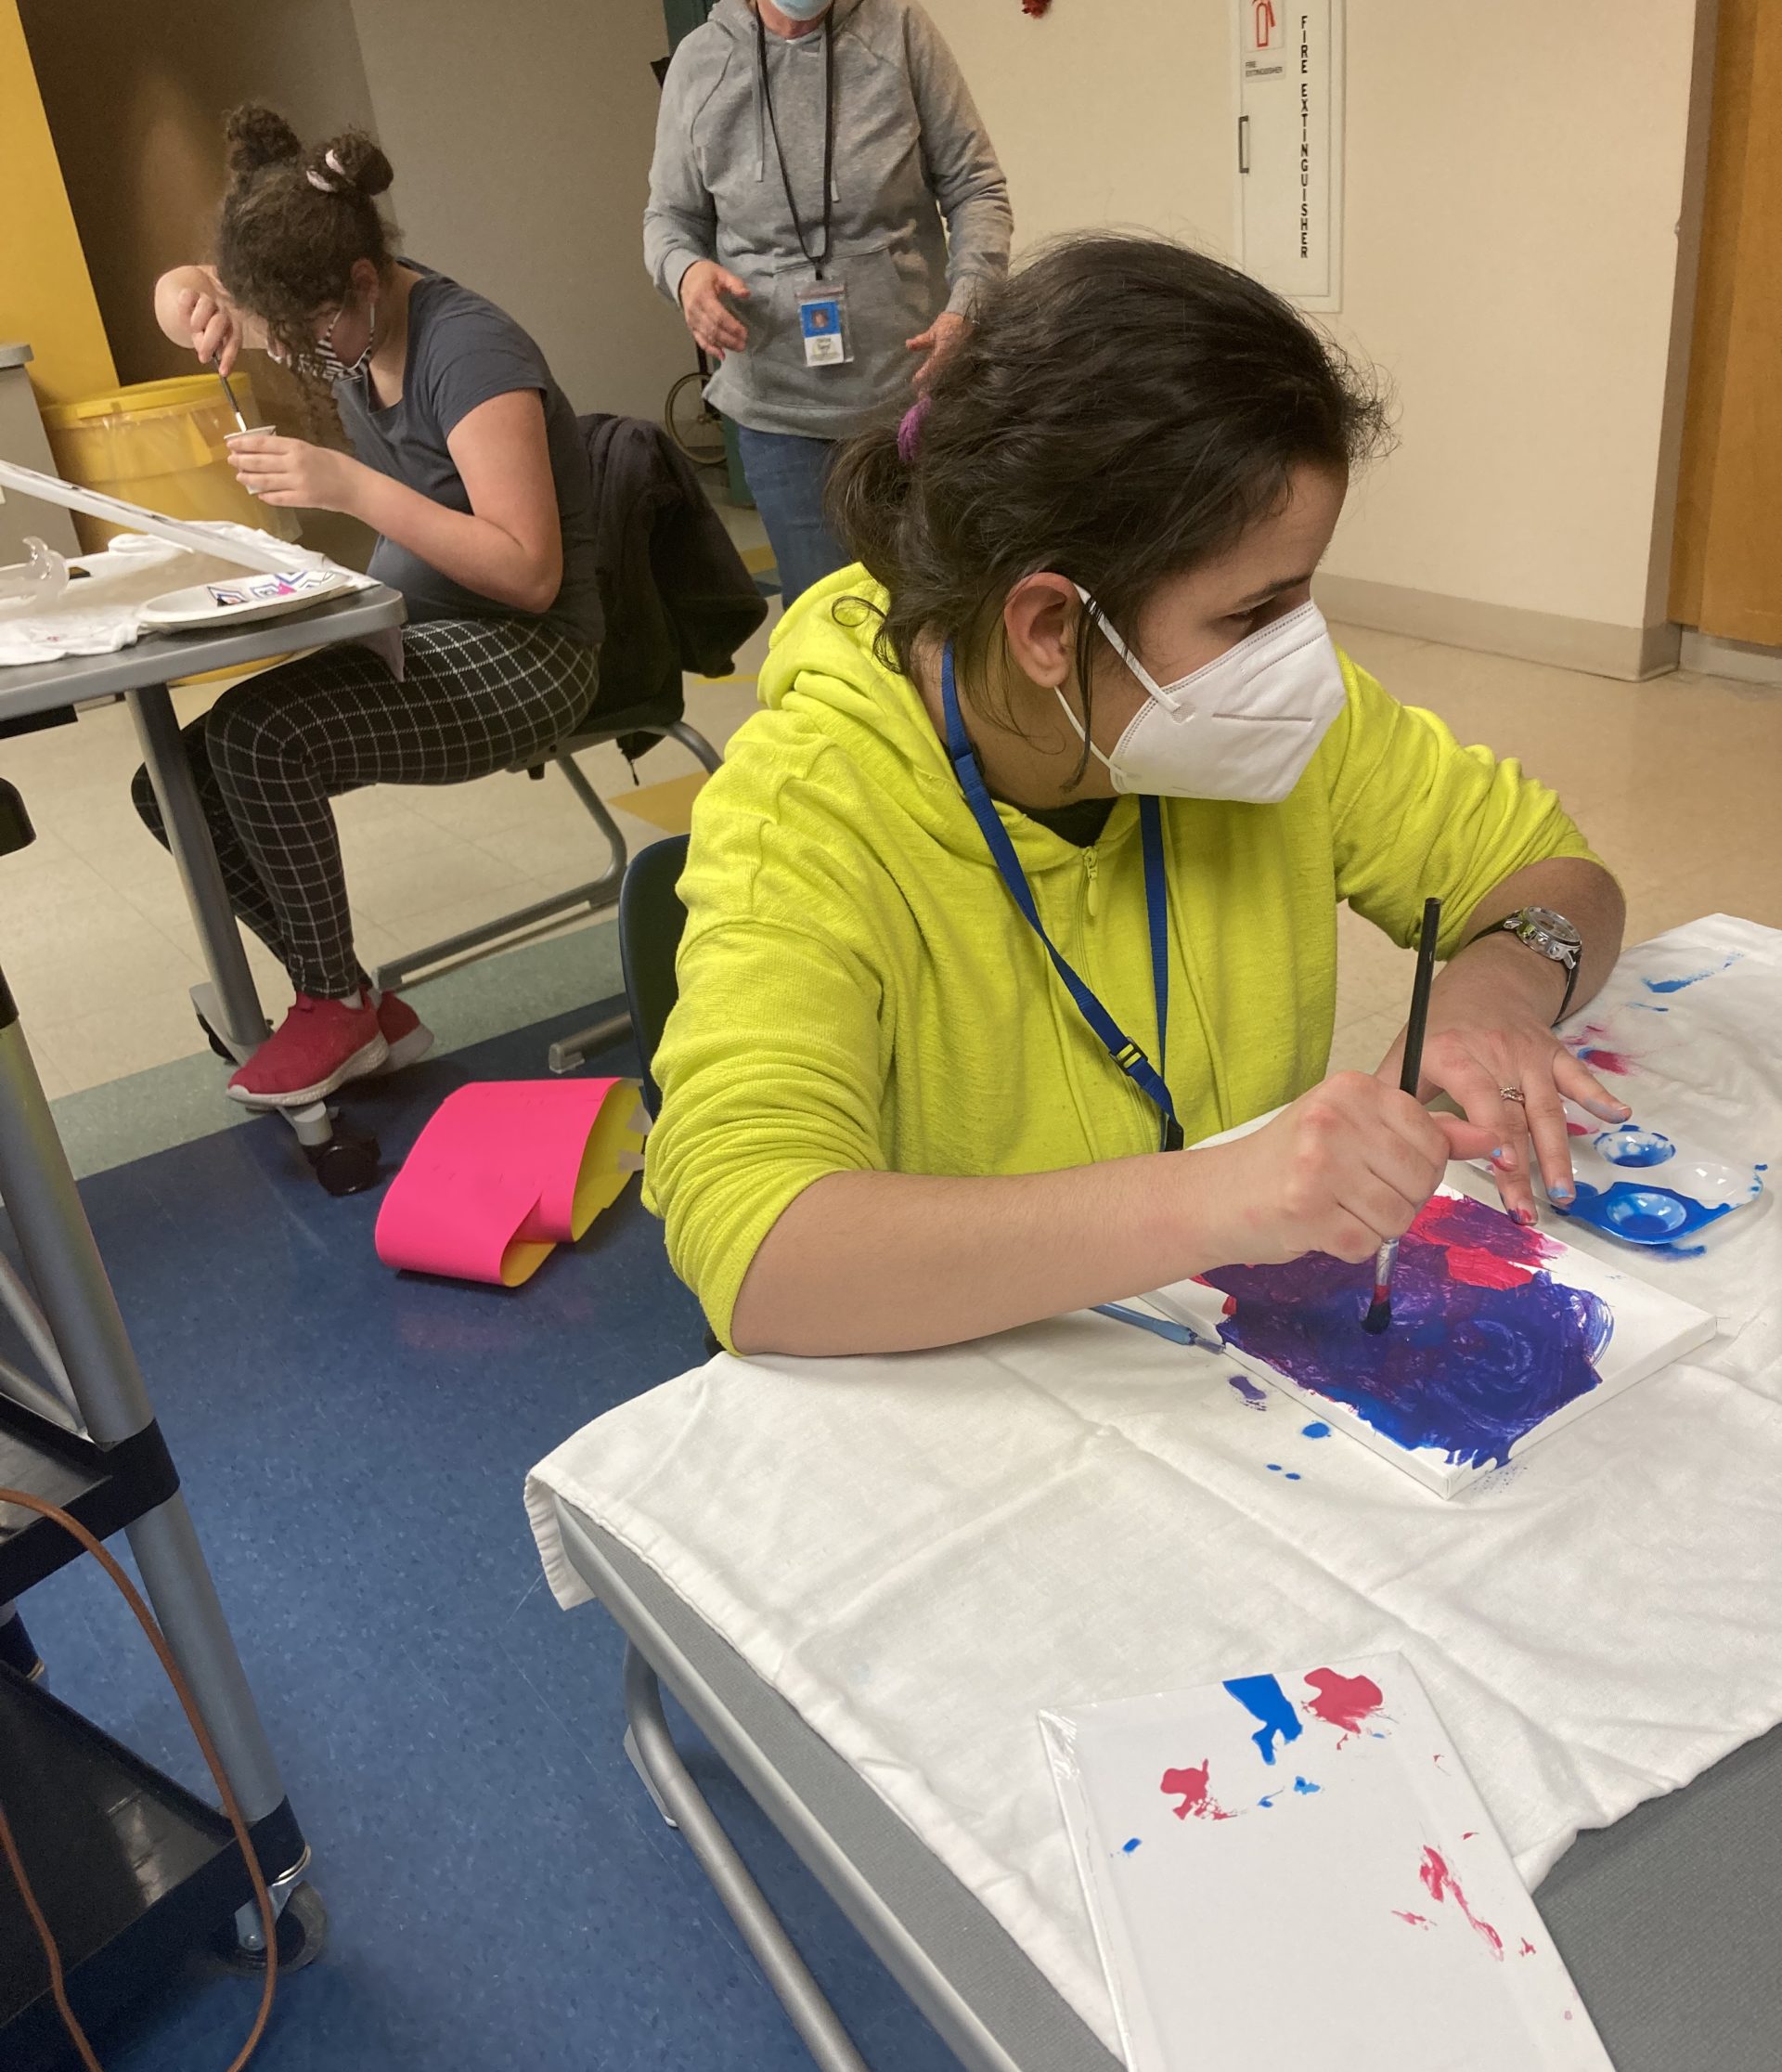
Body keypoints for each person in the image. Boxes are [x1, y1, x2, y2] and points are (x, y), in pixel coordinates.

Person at [641, 236, 1633, 1366]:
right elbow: (758, 1253)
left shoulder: (1270, 714)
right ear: (1052, 628)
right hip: (988, 1404)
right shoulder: (811, 808)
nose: (1298, 656)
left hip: (1229, 1374)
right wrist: (1219, 1195)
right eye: (1255, 613)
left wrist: (1494, 990)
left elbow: (1555, 871)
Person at [138, 107, 603, 1107]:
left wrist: (350, 488)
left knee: (264, 738)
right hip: (419, 629)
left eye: (305, 339)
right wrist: (189, 299)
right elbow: (189, 286)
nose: (301, 360)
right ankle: (347, 992)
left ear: (360, 282)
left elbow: (529, 573)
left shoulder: (469, 353)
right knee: (169, 784)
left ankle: (331, 1006)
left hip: (527, 652)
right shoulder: (337, 296)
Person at [645, 0, 1011, 608]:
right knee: (829, 621)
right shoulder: (702, 60)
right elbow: (669, 218)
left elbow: (976, 188)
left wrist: (967, 308)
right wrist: (686, 276)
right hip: (778, 411)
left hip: (910, 396)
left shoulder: (898, 31)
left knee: (936, 610)